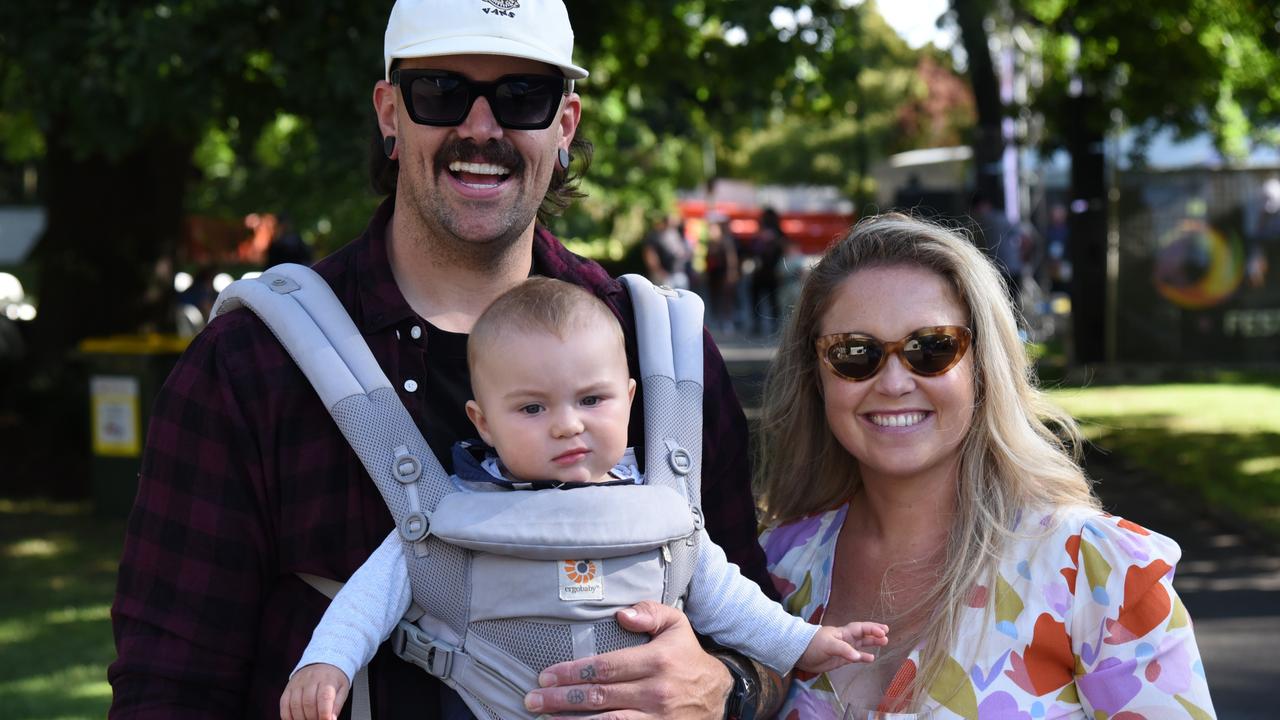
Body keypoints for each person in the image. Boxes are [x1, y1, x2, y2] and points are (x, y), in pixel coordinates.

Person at [108, 0, 792, 717]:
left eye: (522, 95)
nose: (480, 127)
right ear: (389, 112)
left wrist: (729, 690)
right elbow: (169, 685)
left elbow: (763, 642)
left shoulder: (661, 355)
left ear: (566, 122)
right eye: (441, 90)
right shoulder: (251, 366)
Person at [279, 277, 888, 720]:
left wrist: (804, 642)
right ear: (482, 422)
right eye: (532, 408)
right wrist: (327, 662)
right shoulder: (453, 517)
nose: (567, 425)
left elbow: (729, 601)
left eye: (591, 400)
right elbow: (372, 595)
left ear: (629, 399)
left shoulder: (661, 513)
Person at [755, 214, 1217, 717]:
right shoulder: (774, 570)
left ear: (983, 366)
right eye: (854, 352)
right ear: (817, 375)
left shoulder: (1099, 573)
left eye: (930, 348)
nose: (891, 383)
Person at [970, 192, 1024, 303]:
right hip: (1011, 268)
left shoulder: (977, 222)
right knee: (1014, 306)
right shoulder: (1002, 218)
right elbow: (1024, 238)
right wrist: (1021, 258)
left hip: (994, 271)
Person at [749, 207, 788, 336]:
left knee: (772, 299)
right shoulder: (760, 235)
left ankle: (772, 324)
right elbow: (752, 250)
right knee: (760, 299)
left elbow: (784, 250)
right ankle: (758, 324)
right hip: (761, 272)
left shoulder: (778, 235)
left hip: (771, 272)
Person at [641, 214, 692, 290]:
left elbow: (681, 249)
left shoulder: (674, 233)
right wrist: (659, 271)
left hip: (678, 273)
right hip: (664, 276)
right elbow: (649, 255)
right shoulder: (654, 236)